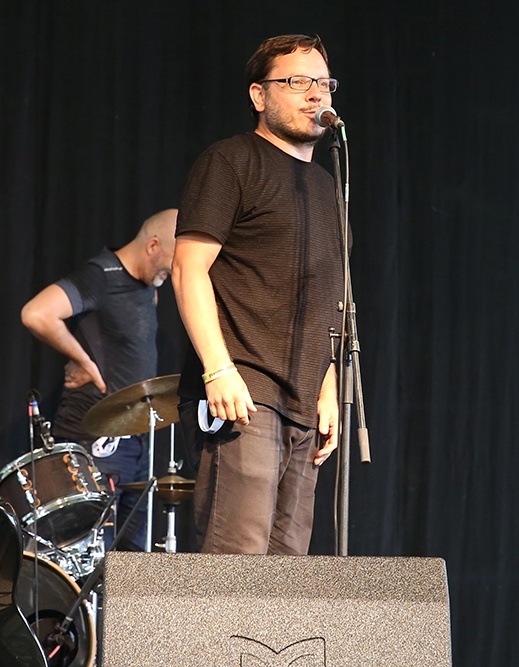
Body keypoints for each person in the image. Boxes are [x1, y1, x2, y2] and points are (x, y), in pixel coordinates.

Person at [172, 34, 345, 555]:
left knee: (285, 574)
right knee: (238, 565)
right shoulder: (231, 161)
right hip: (244, 394)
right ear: (259, 94)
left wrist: (327, 388)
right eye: (298, 81)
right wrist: (217, 370)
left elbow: (323, 296)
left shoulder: (327, 187)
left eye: (323, 83)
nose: (315, 94)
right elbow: (188, 268)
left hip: (304, 402)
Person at [21, 208, 178, 551]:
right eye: (173, 261)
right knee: (90, 555)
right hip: (94, 439)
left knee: (132, 561)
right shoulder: (101, 276)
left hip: (137, 443)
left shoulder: (148, 288)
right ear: (153, 245)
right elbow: (36, 313)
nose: (175, 272)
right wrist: (83, 361)